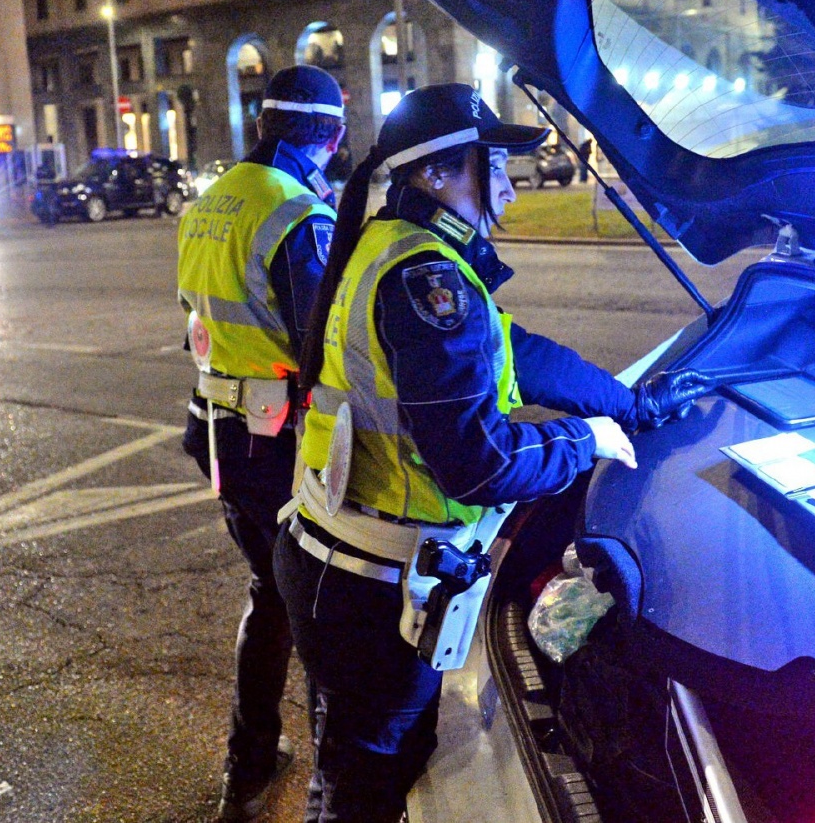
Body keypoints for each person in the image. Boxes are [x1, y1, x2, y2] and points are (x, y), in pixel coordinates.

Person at [275, 84, 712, 822]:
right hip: (369, 588)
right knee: (370, 781)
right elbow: (479, 465)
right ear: (437, 174)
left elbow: (523, 356)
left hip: (334, 564)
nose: (509, 190)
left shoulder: (392, 246)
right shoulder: (427, 277)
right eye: (495, 168)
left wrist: (631, 405)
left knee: (356, 760)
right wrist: (586, 441)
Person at [177, 65, 346, 822]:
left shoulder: (210, 203)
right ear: (330, 137)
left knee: (269, 598)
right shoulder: (296, 212)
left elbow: (194, 312)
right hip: (278, 444)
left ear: (263, 125)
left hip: (218, 429)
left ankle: (247, 770)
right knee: (317, 610)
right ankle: (329, 793)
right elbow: (326, 342)